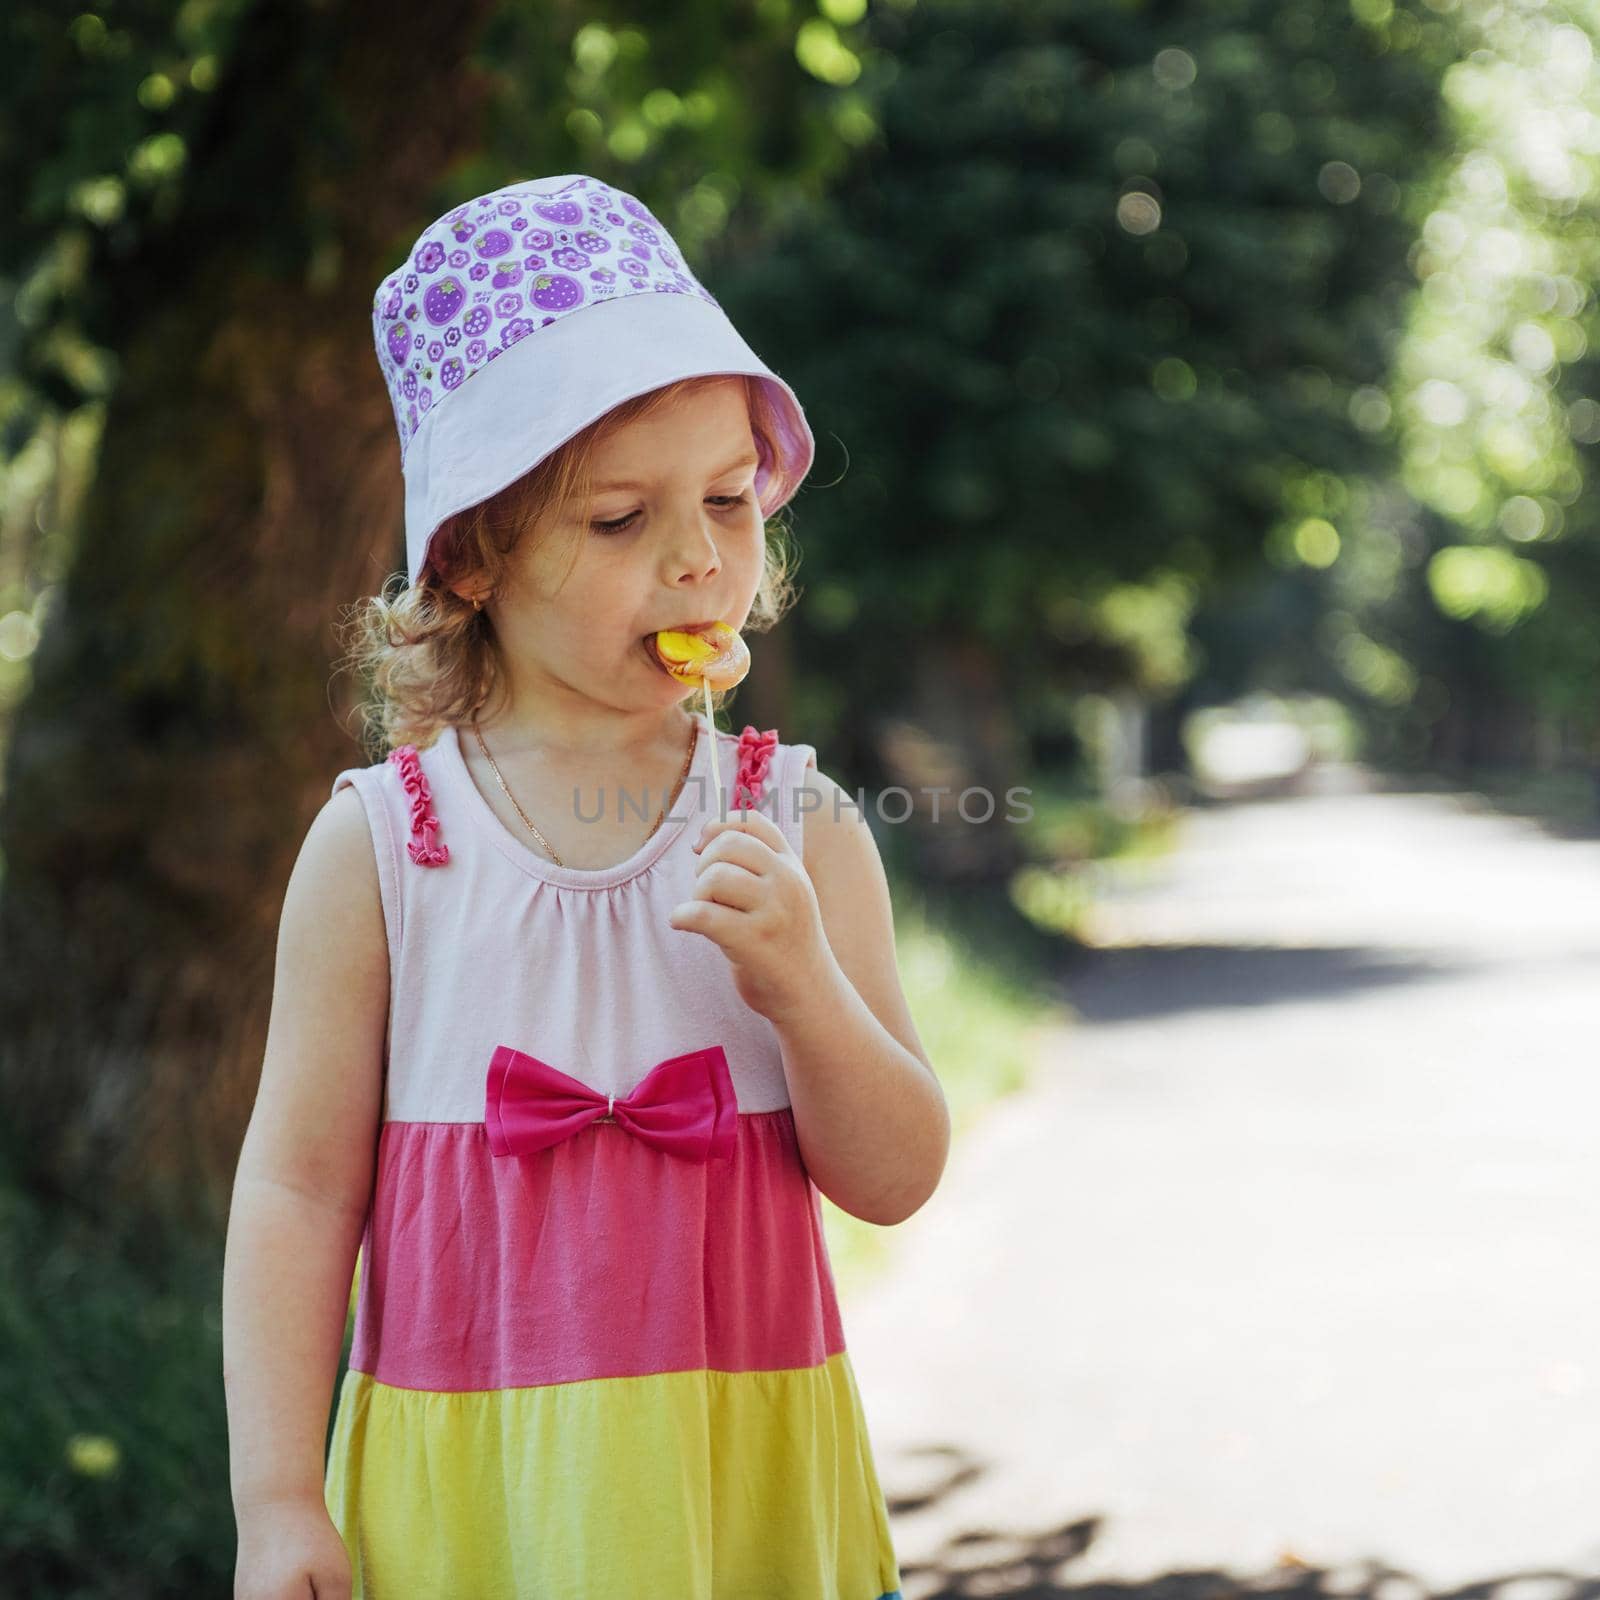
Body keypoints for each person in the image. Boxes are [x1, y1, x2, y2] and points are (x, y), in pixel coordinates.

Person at [222, 172, 950, 1599]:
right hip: (471, 1502)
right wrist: (275, 1499)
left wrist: (803, 990)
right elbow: (300, 1192)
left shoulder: (797, 828)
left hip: (736, 1490)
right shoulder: (381, 853)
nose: (697, 557)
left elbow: (898, 1175)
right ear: (476, 554)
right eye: (619, 520)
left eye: (732, 504)